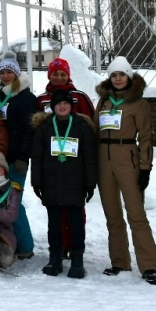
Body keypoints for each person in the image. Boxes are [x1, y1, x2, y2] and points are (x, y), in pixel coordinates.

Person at [95, 56, 156, 284]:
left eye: (122, 74)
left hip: (128, 158)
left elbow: (146, 137)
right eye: (114, 75)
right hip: (104, 159)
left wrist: (145, 167)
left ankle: (148, 265)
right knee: (112, 214)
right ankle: (120, 261)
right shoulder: (104, 101)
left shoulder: (138, 103)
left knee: (136, 214)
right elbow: (95, 129)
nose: (118, 78)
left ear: (129, 76)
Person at [31, 90, 97, 279]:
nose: (62, 106)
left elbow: (89, 157)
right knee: (54, 224)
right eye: (58, 104)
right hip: (51, 183)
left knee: (76, 223)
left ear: (71, 106)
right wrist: (36, 182)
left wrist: (90, 183)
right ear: (53, 107)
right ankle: (55, 258)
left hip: (75, 183)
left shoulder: (81, 126)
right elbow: (37, 157)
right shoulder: (45, 127)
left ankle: (77, 260)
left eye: (66, 103)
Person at [0, 57, 37, 260]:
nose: (5, 76)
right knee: (2, 202)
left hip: (16, 159)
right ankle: (11, 242)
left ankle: (26, 245)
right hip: (0, 158)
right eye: (2, 72)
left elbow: (29, 130)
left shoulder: (26, 97)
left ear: (17, 74)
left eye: (9, 72)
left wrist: (23, 157)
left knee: (13, 202)